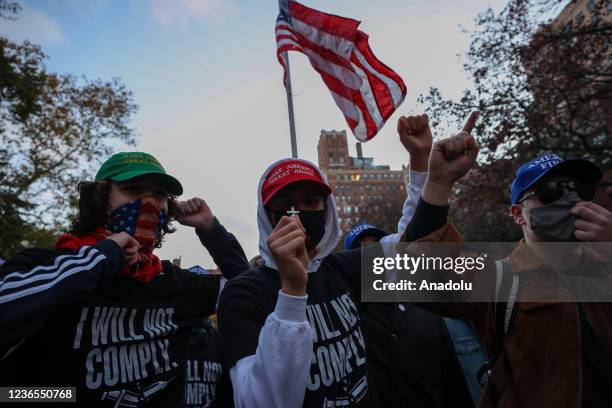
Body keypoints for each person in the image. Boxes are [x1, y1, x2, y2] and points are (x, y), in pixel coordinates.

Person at [0, 152, 249, 407]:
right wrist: (101, 257)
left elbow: (248, 293)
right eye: (133, 190)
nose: (150, 203)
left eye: (161, 195)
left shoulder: (176, 283)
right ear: (99, 198)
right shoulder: (45, 266)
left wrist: (210, 229)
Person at [400, 117, 612, 408]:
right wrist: (438, 182)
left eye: (579, 190)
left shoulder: (604, 263)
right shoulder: (500, 280)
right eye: (551, 192)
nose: (570, 200)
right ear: (518, 214)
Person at [218, 152, 398, 405]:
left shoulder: (340, 268)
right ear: (267, 216)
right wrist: (292, 290)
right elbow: (259, 402)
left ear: (326, 211)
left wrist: (431, 178)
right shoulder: (242, 294)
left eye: (311, 201)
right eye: (286, 204)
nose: (298, 213)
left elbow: (418, 258)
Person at [345, 114, 481, 408]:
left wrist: (422, 163)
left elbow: (414, 236)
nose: (374, 258)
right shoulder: (349, 311)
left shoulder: (426, 304)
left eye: (377, 247)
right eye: (362, 252)